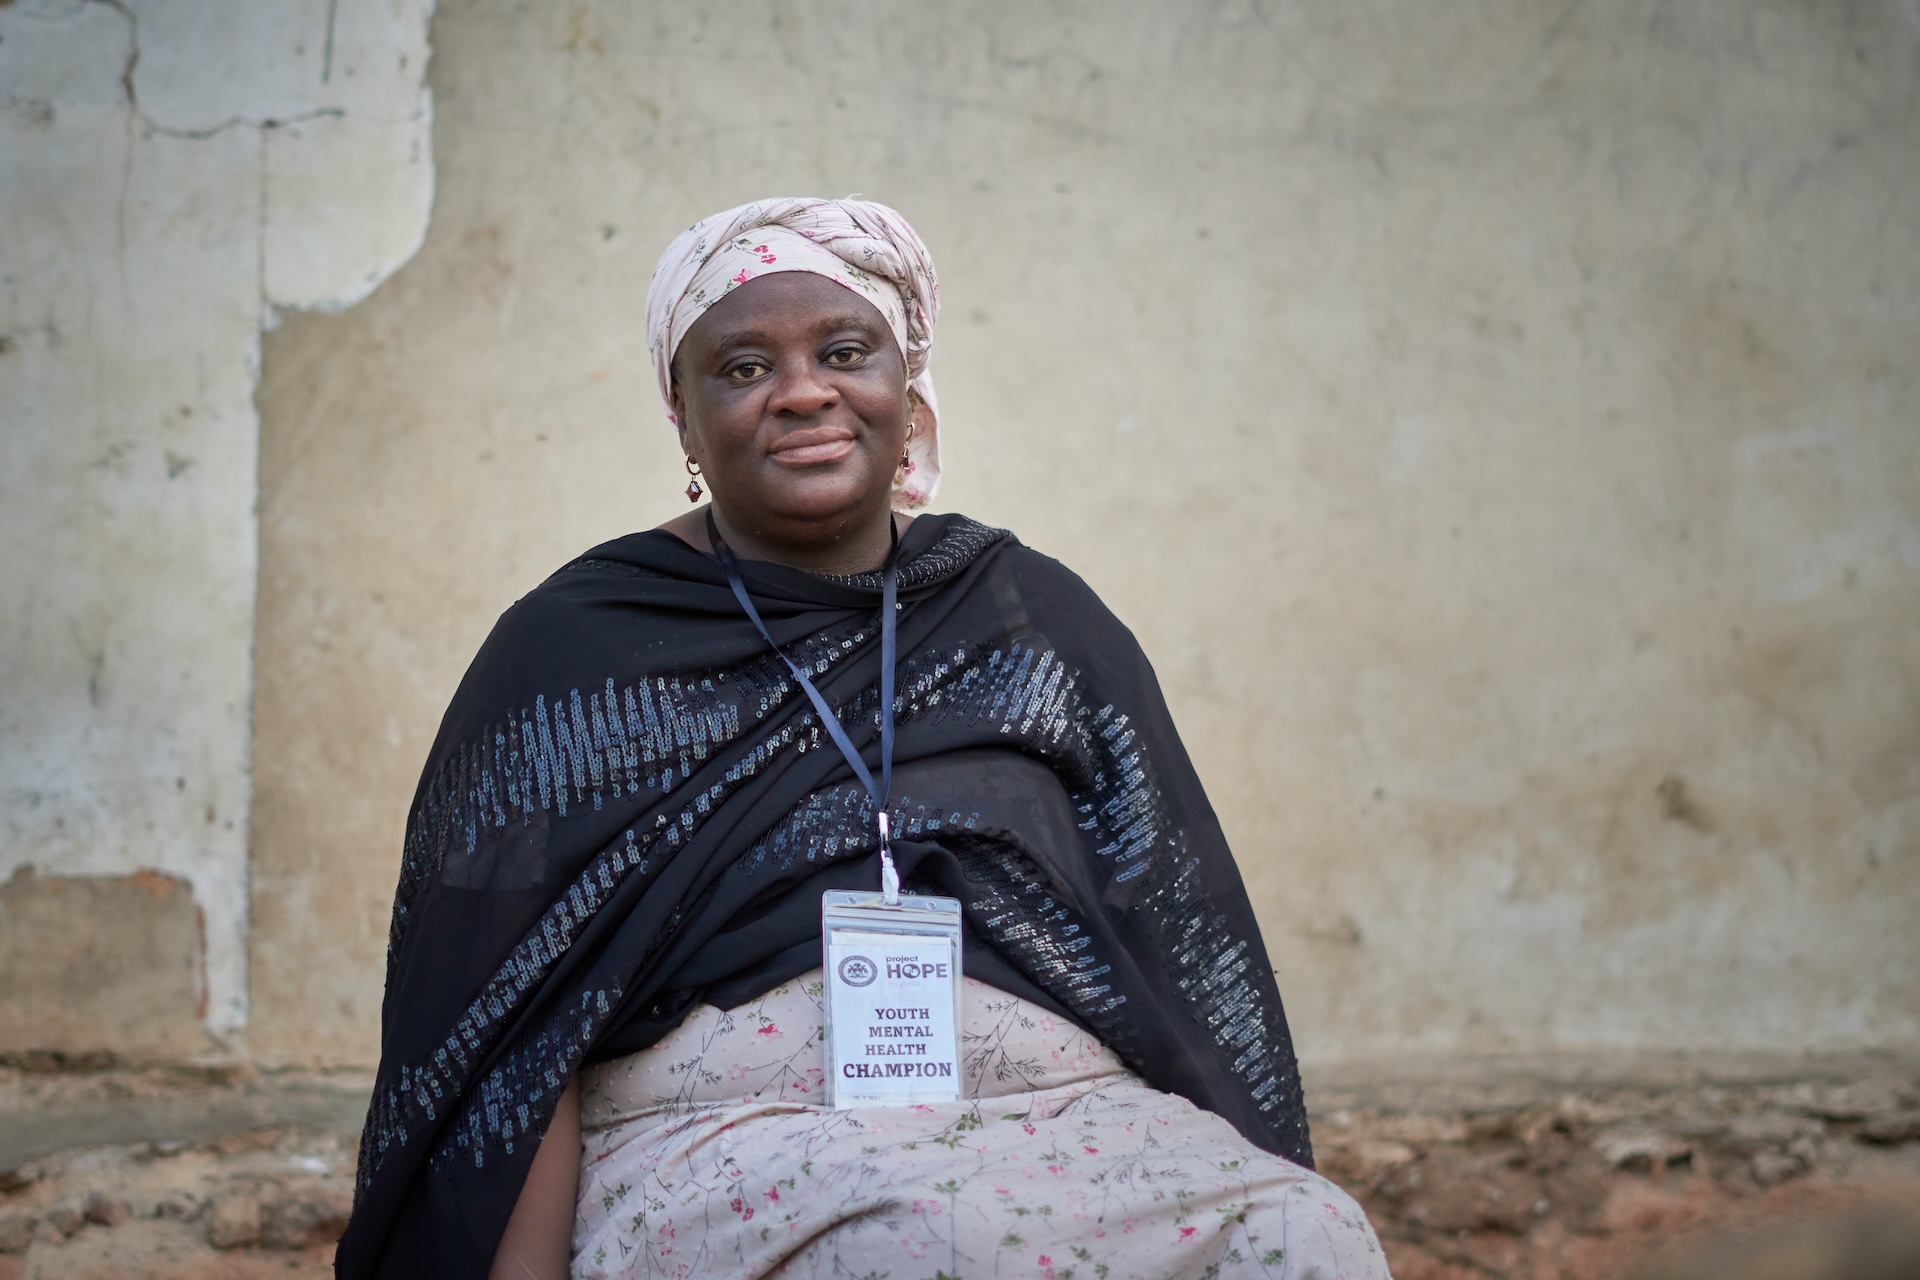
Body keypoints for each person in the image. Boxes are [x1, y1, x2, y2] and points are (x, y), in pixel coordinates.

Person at [336, 198, 1387, 1280]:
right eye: (742, 367)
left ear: (905, 387)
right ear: (682, 417)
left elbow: (1180, 939)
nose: (803, 390)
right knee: (908, 1244)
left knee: (1307, 1232)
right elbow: (503, 1024)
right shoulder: (571, 656)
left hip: (1070, 1118)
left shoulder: (1029, 618)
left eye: (846, 351)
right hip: (734, 1135)